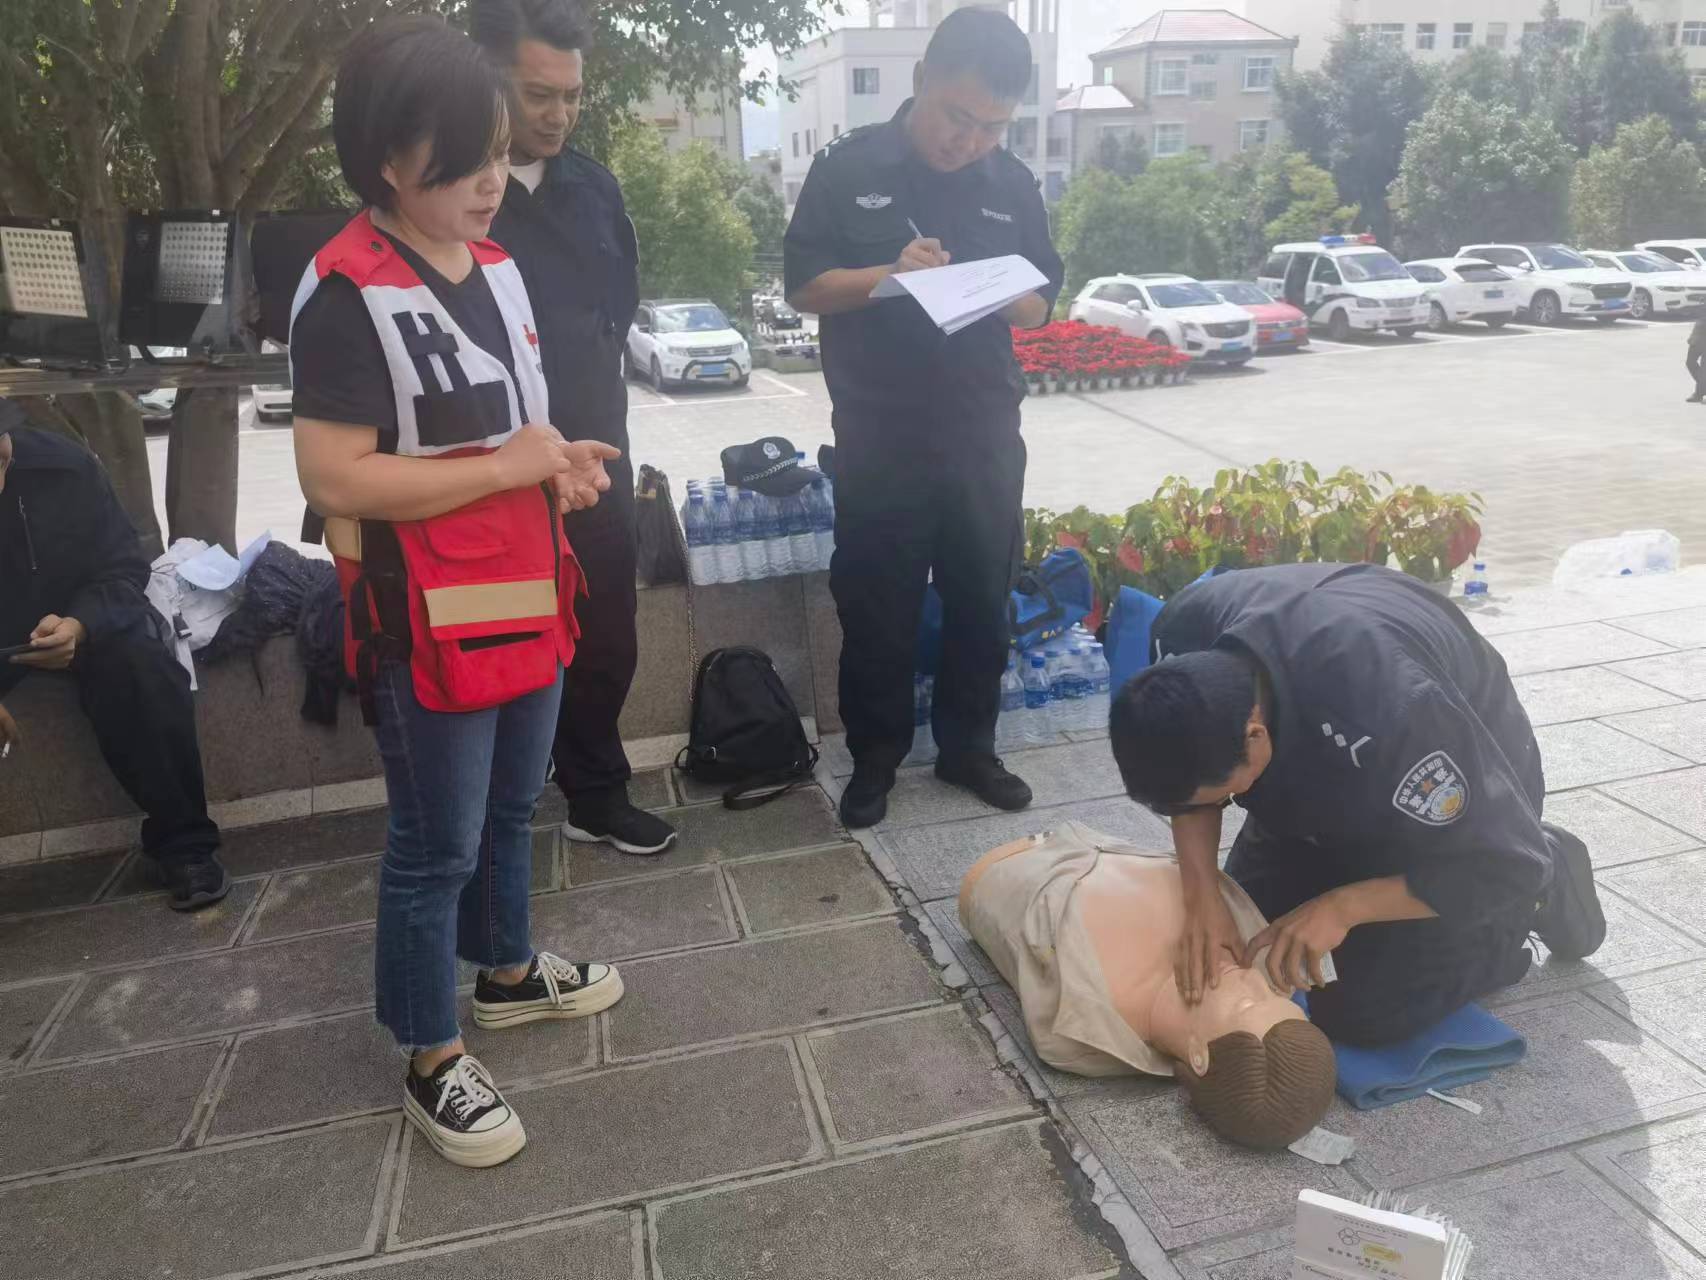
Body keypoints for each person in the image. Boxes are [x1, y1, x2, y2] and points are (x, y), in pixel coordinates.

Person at [289, 16, 625, 1168]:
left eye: (497, 156)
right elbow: (335, 477)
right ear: (391, 160)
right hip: (422, 614)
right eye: (464, 162)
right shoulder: (347, 290)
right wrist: (506, 469)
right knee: (433, 840)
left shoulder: (493, 264)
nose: (492, 183)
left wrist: (557, 465)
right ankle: (430, 1051)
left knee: (511, 802)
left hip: (526, 586)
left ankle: (509, 969)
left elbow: (503, 425)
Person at [1108, 562, 1607, 1049]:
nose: (1212, 807)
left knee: (1359, 1006)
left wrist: (1344, 907)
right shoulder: (1181, 637)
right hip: (1324, 751)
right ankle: (1344, 870)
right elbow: (1186, 780)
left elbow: (1504, 866)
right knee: (1249, 938)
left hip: (1474, 814)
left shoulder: (1398, 710)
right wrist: (1201, 896)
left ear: (1255, 736)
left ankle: (1537, 889)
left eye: (1220, 798)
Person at [783, 7, 1064, 829]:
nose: (968, 140)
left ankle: (969, 749)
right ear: (921, 84)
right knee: (878, 603)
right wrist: (891, 277)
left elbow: (1043, 303)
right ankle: (874, 758)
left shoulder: (1010, 183)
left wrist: (1010, 292)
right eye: (956, 116)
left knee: (983, 598)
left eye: (991, 126)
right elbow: (803, 288)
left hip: (983, 434)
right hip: (882, 435)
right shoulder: (848, 166)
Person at [473, 0, 674, 856]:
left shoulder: (594, 187)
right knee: (502, 640)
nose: (557, 115)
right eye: (537, 94)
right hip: (488, 468)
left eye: (571, 96)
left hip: (593, 454)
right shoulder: (457, 197)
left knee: (606, 634)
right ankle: (490, 814)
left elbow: (615, 305)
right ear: (487, 80)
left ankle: (595, 794)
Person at [959, 823, 1337, 1149]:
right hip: (1095, 839)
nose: (1254, 979)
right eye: (1273, 994)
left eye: (1247, 1005)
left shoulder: (1092, 1019)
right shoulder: (1247, 949)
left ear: (1200, 1056)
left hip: (1001, 867)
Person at [0, 411, 229, 911]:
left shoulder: (66, 468)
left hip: (74, 616)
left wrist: (79, 624)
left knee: (142, 664)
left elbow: (123, 567)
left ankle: (185, 844)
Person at [1687, 316, 1706, 404]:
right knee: (1690, 362)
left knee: (1704, 367)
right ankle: (1702, 389)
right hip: (1699, 330)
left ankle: (1699, 394)